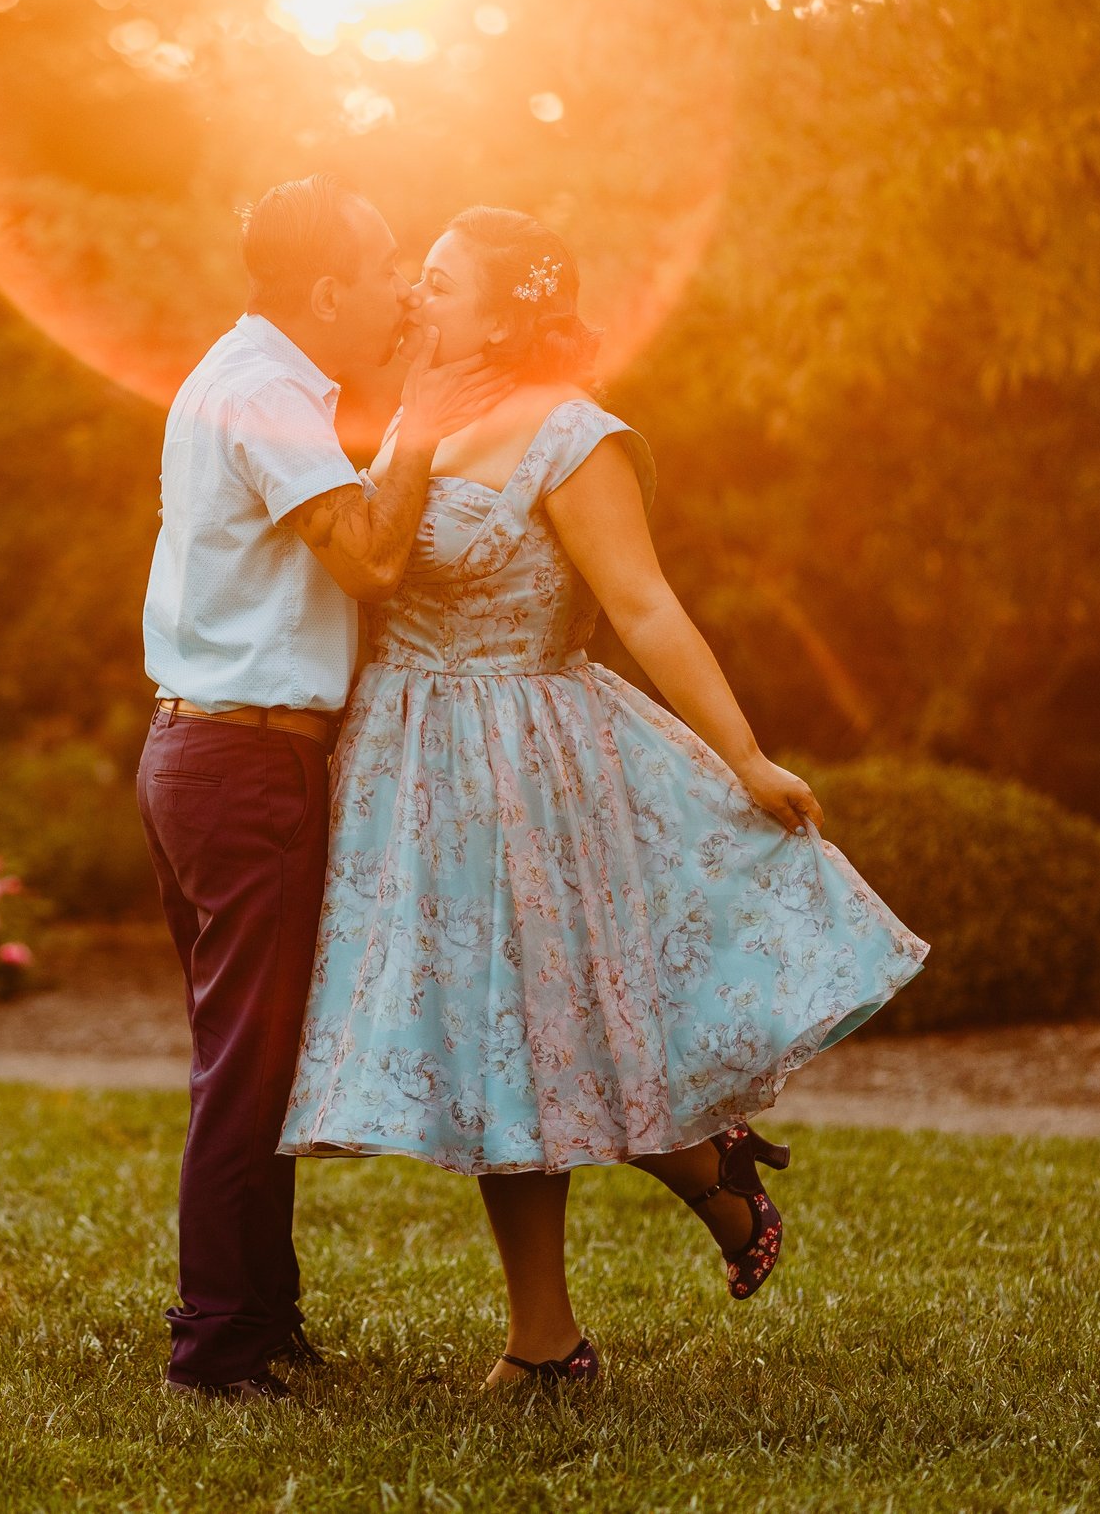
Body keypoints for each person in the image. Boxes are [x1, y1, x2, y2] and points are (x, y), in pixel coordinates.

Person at [277, 206, 929, 1391]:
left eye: (439, 279)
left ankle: (564, 1324)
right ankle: (617, 1265)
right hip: (405, 761)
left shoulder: (573, 434)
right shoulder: (408, 425)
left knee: (533, 1042)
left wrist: (745, 756)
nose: (415, 298)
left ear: (507, 308)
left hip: (527, 761)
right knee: (490, 1056)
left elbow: (645, 607)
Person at [137, 174, 513, 1402]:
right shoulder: (269, 399)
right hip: (249, 764)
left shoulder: (250, 377)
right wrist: (419, 405)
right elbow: (372, 558)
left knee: (248, 1051)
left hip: (204, 752)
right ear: (326, 289)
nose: (405, 287)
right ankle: (218, 1347)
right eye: (387, 264)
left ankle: (261, 1314)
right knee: (247, 1063)